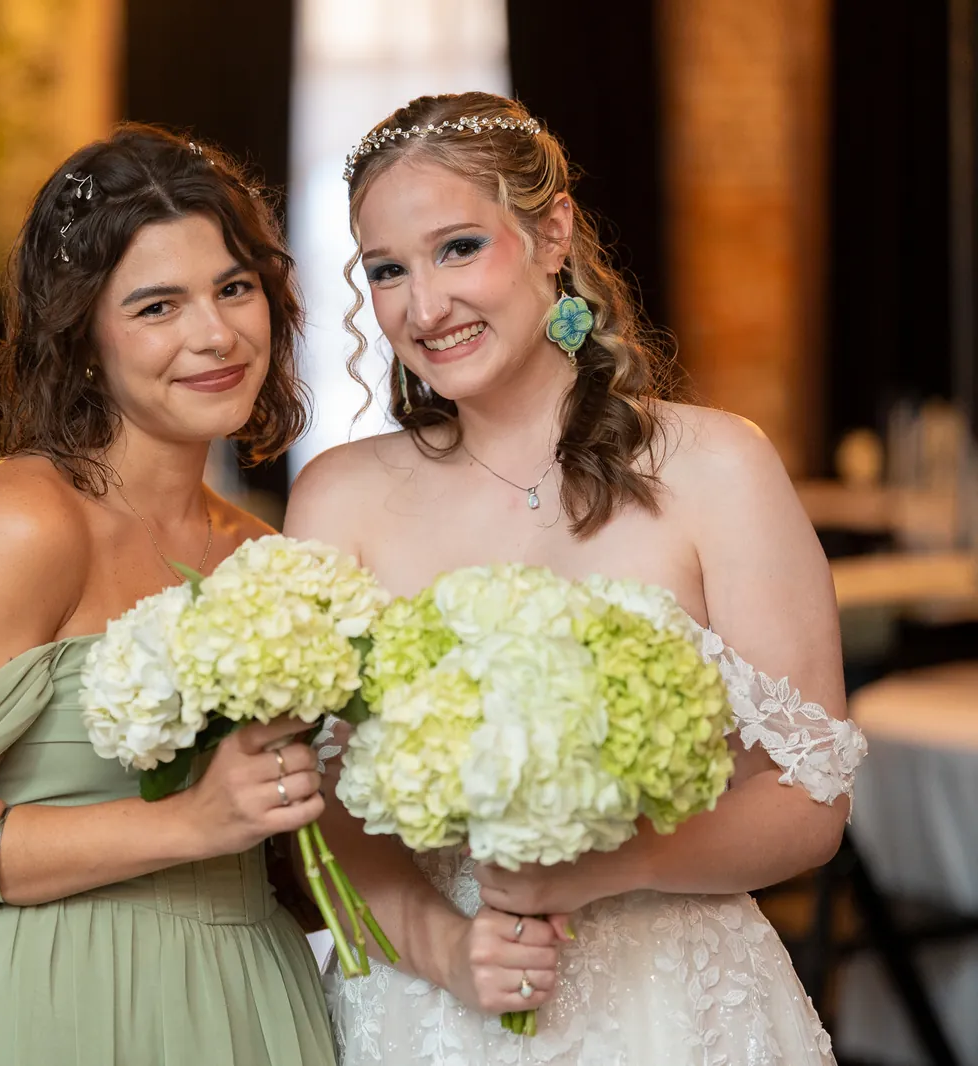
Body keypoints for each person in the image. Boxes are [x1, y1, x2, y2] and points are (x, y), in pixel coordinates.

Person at [284, 92, 866, 1063]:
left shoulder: (717, 468)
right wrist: (446, 953)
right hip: (427, 1013)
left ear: (550, 232)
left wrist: (602, 864)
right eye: (387, 270)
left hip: (672, 1011)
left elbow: (811, 802)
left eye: (457, 247)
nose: (423, 306)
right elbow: (335, 815)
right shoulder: (338, 497)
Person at [0, 124, 338, 1066]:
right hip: (57, 999)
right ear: (83, 337)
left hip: (248, 1001)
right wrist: (185, 825)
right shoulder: (29, 519)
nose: (215, 334)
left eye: (235, 289)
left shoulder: (270, 558)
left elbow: (288, 865)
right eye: (158, 306)